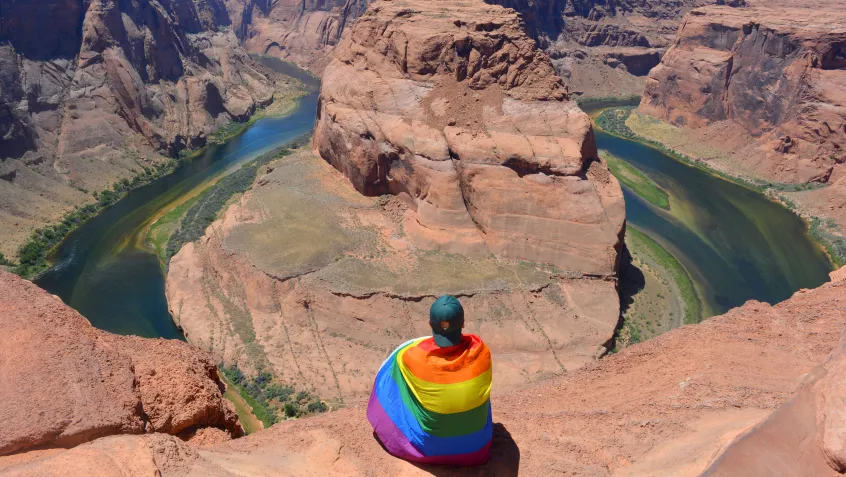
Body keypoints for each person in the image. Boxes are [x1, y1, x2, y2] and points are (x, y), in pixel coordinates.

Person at [367, 295, 493, 465]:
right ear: (463, 323)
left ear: (430, 324)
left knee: (394, 369)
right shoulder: (482, 353)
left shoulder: (411, 357)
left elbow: (405, 354)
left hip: (428, 447)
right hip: (475, 448)